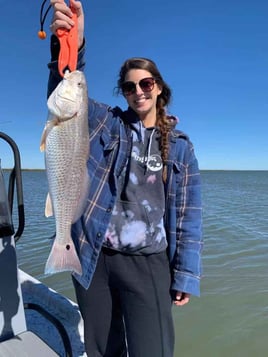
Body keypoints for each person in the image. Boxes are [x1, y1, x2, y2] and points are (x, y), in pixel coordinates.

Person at [48, 1, 203, 356]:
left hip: (148, 261)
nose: (138, 92)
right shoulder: (107, 123)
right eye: (130, 87)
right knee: (103, 348)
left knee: (154, 349)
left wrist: (186, 273)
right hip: (95, 256)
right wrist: (71, 41)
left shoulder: (180, 148)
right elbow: (68, 91)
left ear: (159, 87)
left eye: (146, 83)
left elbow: (188, 215)